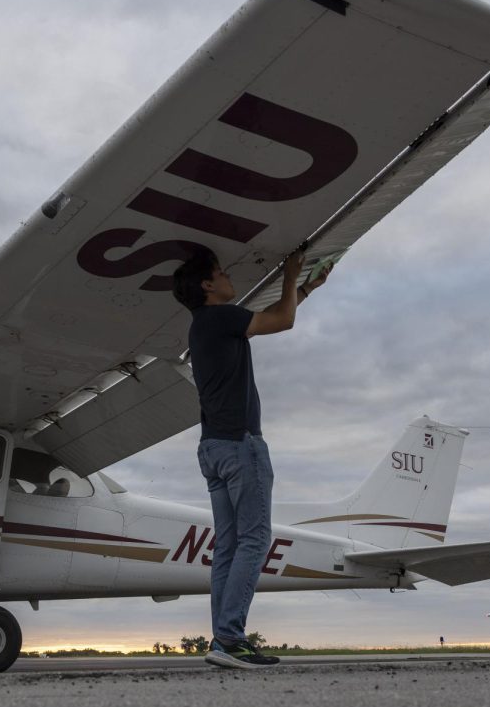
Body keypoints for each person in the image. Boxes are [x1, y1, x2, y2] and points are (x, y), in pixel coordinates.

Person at [172, 247, 332, 669]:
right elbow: (284, 319)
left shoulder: (202, 326)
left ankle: (222, 640)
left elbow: (277, 312)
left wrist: (307, 287)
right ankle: (230, 637)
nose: (229, 277)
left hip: (212, 449)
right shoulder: (223, 317)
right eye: (221, 272)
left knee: (227, 545)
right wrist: (292, 272)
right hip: (241, 445)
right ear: (208, 285)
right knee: (256, 539)